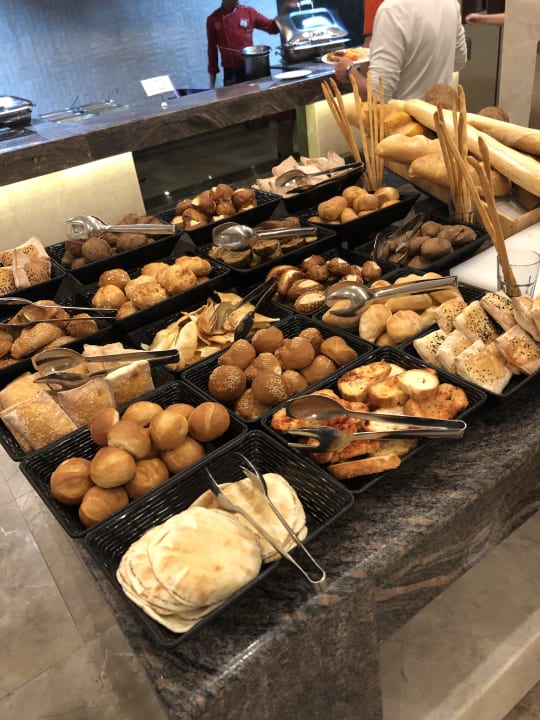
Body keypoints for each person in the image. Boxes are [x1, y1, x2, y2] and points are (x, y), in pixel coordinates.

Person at [335, 0, 467, 101]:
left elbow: (377, 95)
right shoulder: (451, 3)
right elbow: (459, 61)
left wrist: (349, 72)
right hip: (442, 120)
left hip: (405, 123)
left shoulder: (392, 10)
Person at [207, 0, 297, 88]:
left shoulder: (248, 12)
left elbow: (272, 28)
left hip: (252, 69)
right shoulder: (213, 20)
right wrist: (212, 86)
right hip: (231, 73)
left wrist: (285, 7)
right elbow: (212, 51)